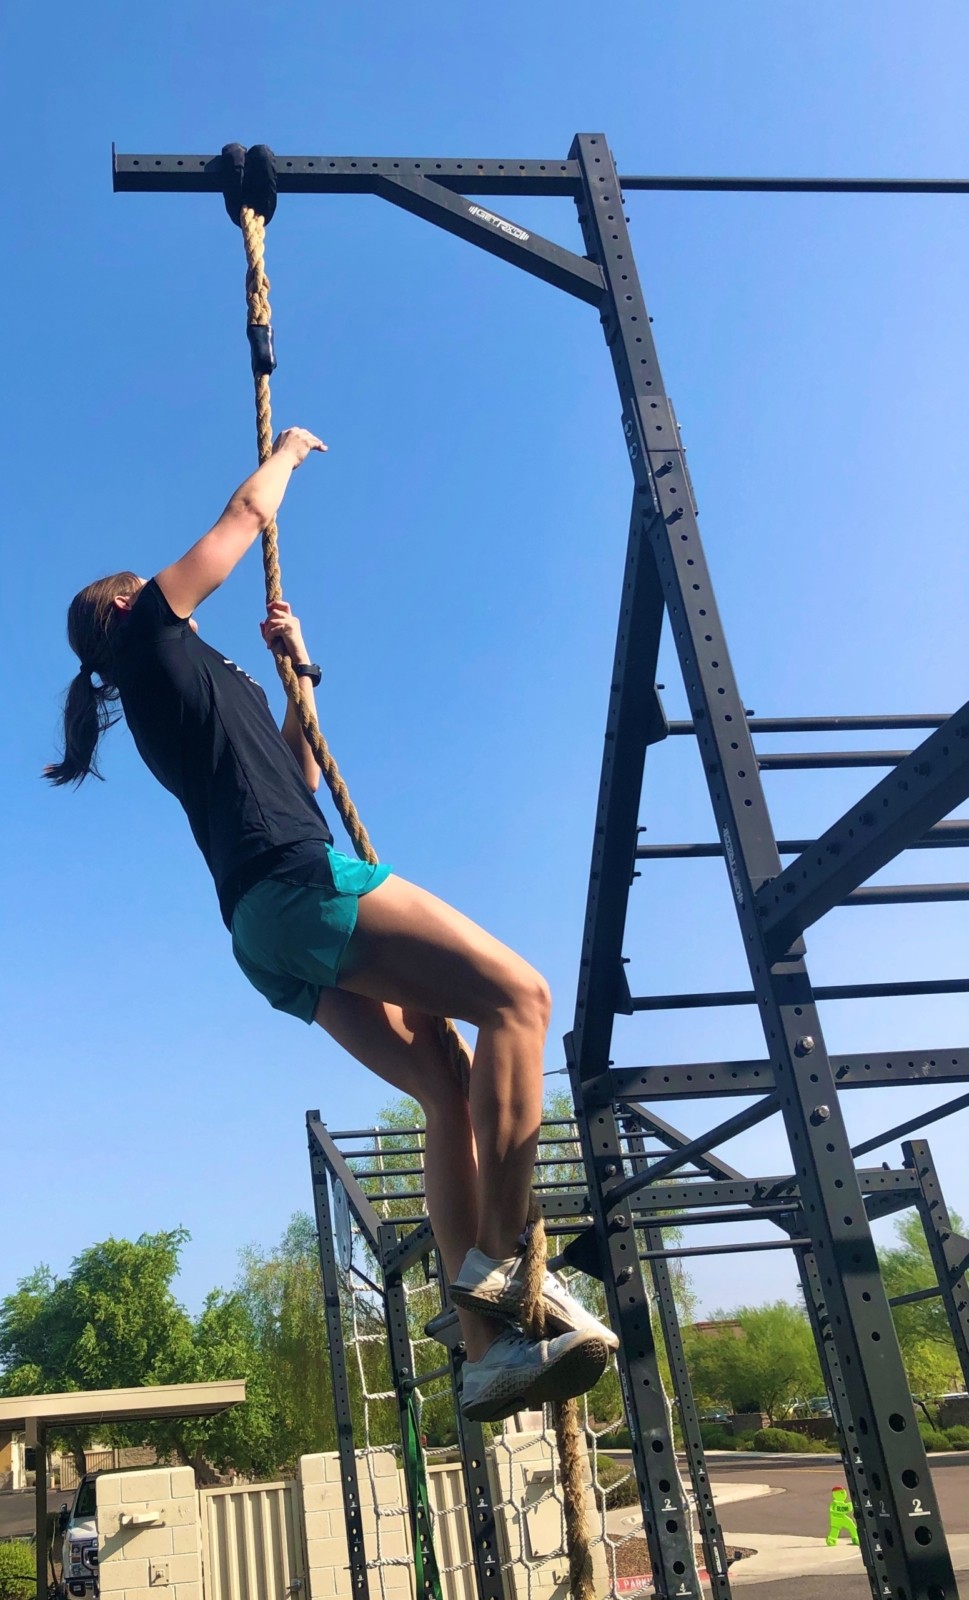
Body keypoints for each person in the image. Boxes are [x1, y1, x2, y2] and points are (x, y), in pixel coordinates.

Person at [47, 427, 617, 1421]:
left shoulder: (186, 684)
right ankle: (508, 1258)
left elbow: (299, 772)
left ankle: (484, 1351)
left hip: (266, 922)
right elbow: (241, 519)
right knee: (521, 1000)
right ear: (131, 606)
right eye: (150, 584)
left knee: (445, 1089)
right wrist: (289, 451)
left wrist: (297, 669)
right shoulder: (147, 644)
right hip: (297, 884)